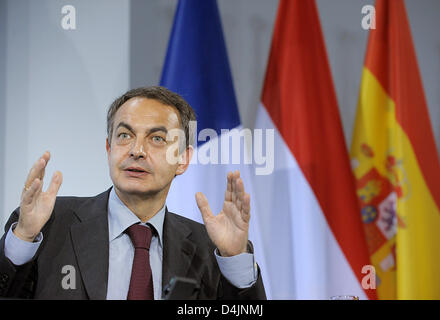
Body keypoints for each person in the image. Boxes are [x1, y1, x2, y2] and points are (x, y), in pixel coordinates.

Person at [0, 86, 266, 300]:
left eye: (157, 139)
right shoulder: (48, 225)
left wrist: (235, 260)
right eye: (125, 135)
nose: (136, 150)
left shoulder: (210, 249)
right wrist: (22, 240)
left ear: (183, 160)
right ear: (109, 148)